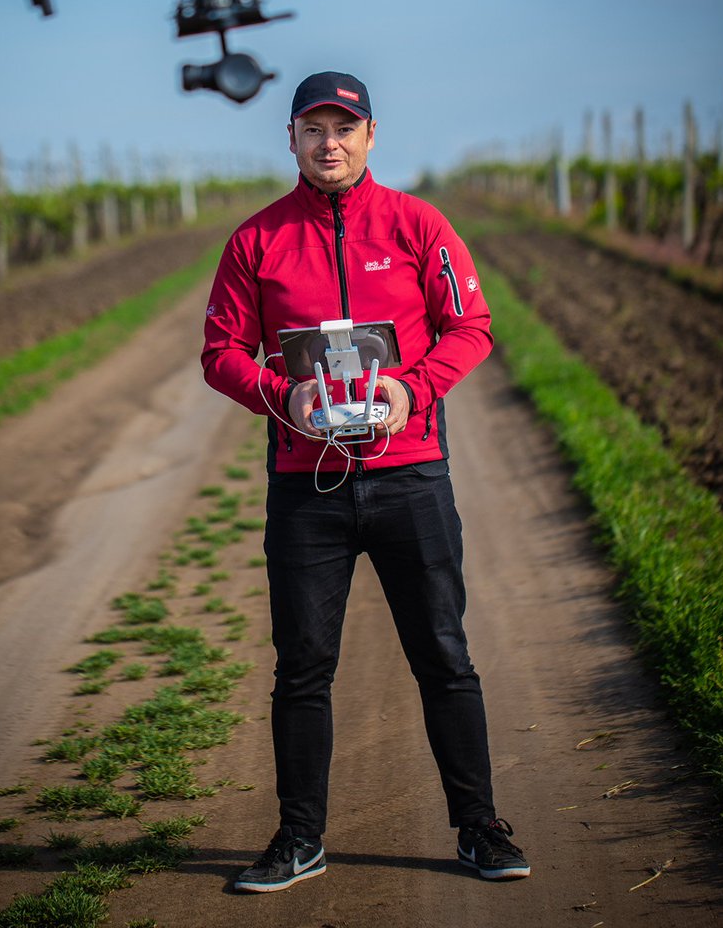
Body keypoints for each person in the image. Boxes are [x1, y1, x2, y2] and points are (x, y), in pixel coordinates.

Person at [201, 71, 530, 892]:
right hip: (304, 487)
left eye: (343, 128)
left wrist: (410, 390)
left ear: (370, 136)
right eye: (313, 128)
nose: (329, 143)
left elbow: (471, 325)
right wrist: (286, 396)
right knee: (302, 668)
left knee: (443, 657)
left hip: (409, 477)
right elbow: (220, 354)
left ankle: (479, 827)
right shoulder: (256, 241)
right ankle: (298, 837)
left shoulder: (419, 224)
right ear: (291, 140)